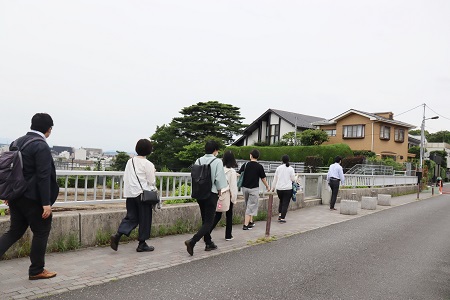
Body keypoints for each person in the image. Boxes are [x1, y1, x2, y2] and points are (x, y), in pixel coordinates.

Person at [0, 113, 59, 280]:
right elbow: (43, 176)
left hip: (16, 196)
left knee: (14, 232)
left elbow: (11, 170)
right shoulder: (41, 146)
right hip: (33, 198)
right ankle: (36, 270)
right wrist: (46, 203)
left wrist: (9, 193)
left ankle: (36, 269)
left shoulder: (17, 142)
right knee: (41, 231)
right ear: (49, 129)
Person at [110, 139, 156, 252]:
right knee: (145, 219)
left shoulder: (129, 161)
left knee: (132, 217)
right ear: (149, 150)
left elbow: (126, 177)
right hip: (142, 195)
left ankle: (118, 235)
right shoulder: (148, 164)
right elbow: (151, 181)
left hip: (130, 194)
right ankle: (142, 243)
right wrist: (153, 172)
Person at [184, 141, 227, 256]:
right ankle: (192, 241)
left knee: (205, 219)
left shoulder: (198, 160)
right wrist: (219, 190)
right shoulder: (217, 161)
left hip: (199, 193)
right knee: (209, 221)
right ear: (215, 150)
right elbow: (219, 180)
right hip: (211, 194)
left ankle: (208, 242)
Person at [210, 150, 238, 241]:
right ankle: (228, 235)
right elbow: (233, 187)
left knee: (217, 214)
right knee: (229, 215)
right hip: (227, 195)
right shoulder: (232, 172)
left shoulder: (220, 168)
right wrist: (234, 198)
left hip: (218, 193)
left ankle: (207, 232)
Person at [238, 149, 270, 230]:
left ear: (250, 155)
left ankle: (251, 222)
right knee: (251, 206)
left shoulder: (245, 164)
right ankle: (245, 225)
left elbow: (238, 174)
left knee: (248, 205)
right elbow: (263, 178)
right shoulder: (259, 167)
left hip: (245, 188)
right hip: (254, 189)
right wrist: (267, 186)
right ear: (257, 157)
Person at [270, 155, 296, 223]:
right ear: (288, 160)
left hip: (279, 189)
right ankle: (282, 218)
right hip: (288, 189)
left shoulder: (278, 168)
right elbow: (293, 179)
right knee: (285, 203)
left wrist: (272, 188)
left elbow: (275, 179)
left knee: (281, 201)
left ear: (282, 160)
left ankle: (280, 215)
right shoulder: (291, 169)